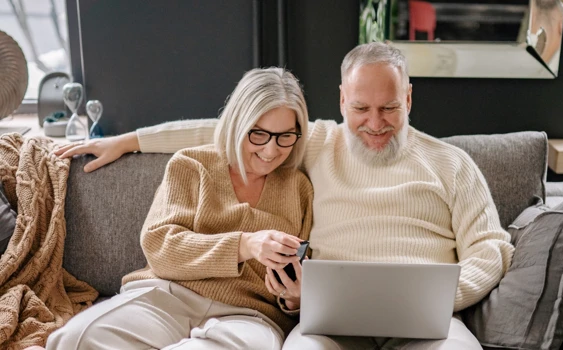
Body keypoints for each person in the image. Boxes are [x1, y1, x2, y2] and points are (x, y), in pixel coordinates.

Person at [56, 42, 515, 349]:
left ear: (409, 99)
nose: (375, 123)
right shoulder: (313, 142)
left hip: (429, 322)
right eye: (361, 108)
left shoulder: (452, 164)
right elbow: (228, 130)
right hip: (332, 322)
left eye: (389, 108)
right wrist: (129, 140)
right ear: (340, 101)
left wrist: (441, 296)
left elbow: (492, 246)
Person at [46, 67, 314, 350]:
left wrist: (295, 298)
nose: (271, 150)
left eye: (285, 136)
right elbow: (160, 246)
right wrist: (244, 245)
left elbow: (302, 284)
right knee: (73, 339)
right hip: (168, 297)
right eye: (258, 134)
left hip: (249, 317)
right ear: (237, 123)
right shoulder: (192, 165)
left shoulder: (298, 188)